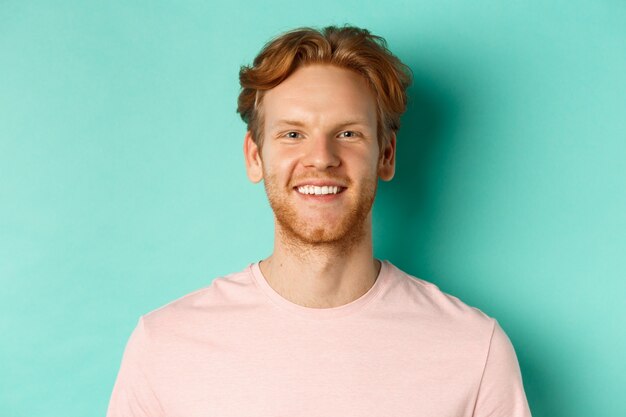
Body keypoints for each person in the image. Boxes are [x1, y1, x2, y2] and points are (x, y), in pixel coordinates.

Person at [106, 25, 532, 417]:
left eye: (348, 133)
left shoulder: (473, 349)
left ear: (386, 155)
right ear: (254, 157)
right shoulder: (165, 346)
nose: (322, 158)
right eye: (293, 134)